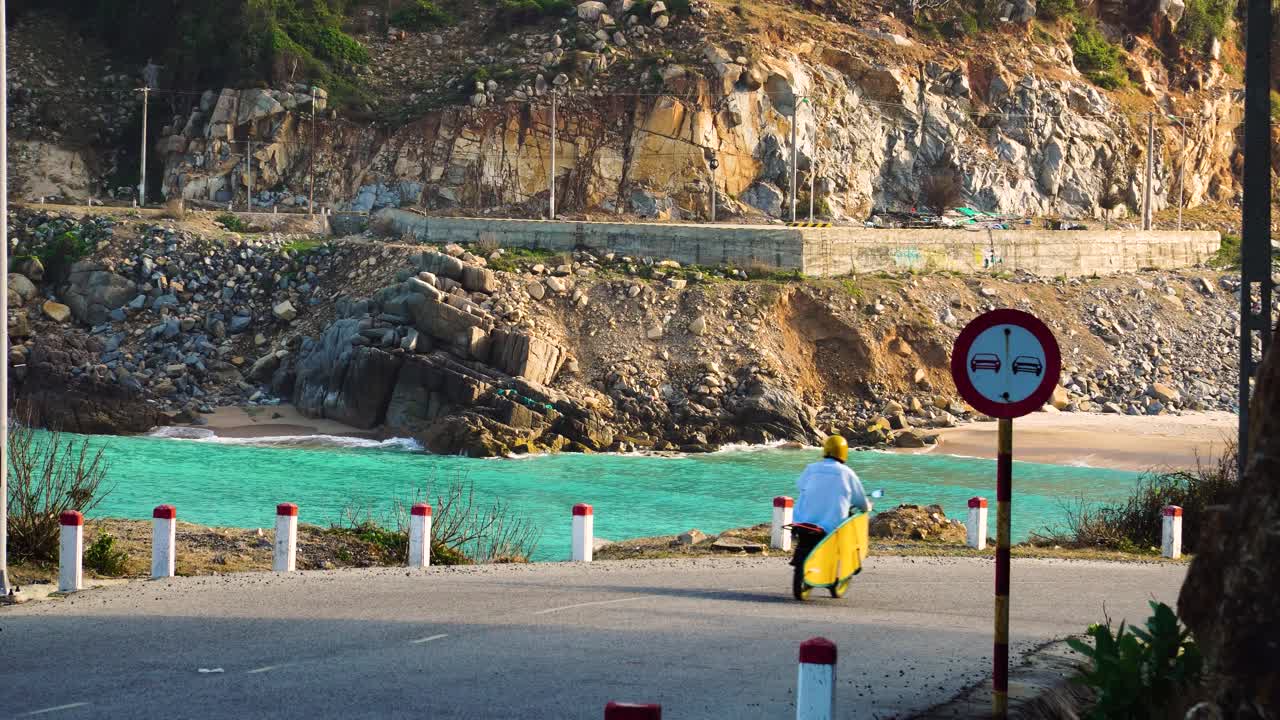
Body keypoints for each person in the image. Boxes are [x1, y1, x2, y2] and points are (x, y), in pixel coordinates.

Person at [793, 436, 872, 535]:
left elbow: (800, 486)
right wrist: (868, 506)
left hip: (802, 523)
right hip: (829, 530)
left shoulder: (811, 469)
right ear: (844, 452)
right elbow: (861, 502)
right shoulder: (847, 473)